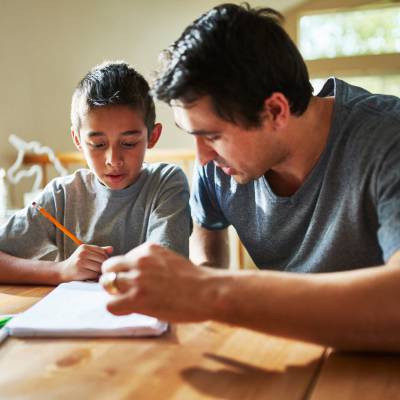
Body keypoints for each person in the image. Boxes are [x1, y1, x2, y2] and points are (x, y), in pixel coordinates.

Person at [100, 5, 400, 351]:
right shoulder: (217, 168)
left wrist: (207, 290)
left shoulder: (387, 139)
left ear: (274, 110)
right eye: (192, 135)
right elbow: (207, 250)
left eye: (212, 136)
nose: (202, 158)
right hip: (292, 353)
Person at [0, 61, 191, 284]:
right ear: (78, 141)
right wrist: (60, 271)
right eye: (98, 144)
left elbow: (165, 269)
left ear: (153, 136)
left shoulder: (166, 183)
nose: (113, 160)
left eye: (129, 143)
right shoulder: (62, 195)